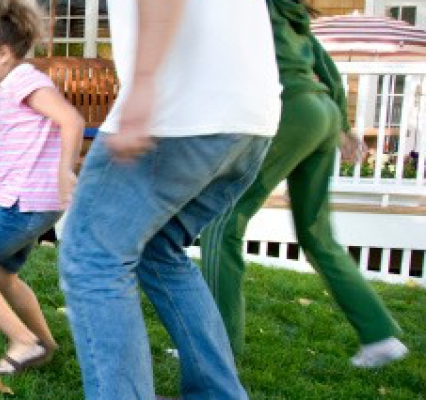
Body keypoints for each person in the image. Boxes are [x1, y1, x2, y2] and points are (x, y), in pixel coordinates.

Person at [57, 0, 281, 398]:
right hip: (250, 119)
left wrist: (143, 84)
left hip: (181, 110)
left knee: (92, 255)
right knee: (160, 248)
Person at [200, 0, 407, 368]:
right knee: (317, 233)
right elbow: (325, 66)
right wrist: (341, 123)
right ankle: (379, 334)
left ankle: (218, 347)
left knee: (222, 221)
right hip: (320, 111)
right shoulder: (288, 12)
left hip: (288, 112)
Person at [0, 0, 84, 377]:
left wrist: (64, 172)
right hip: (34, 203)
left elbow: (71, 119)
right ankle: (44, 345)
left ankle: (23, 342)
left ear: (3, 54)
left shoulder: (22, 79)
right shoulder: (14, 84)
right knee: (4, 274)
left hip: (25, 203)